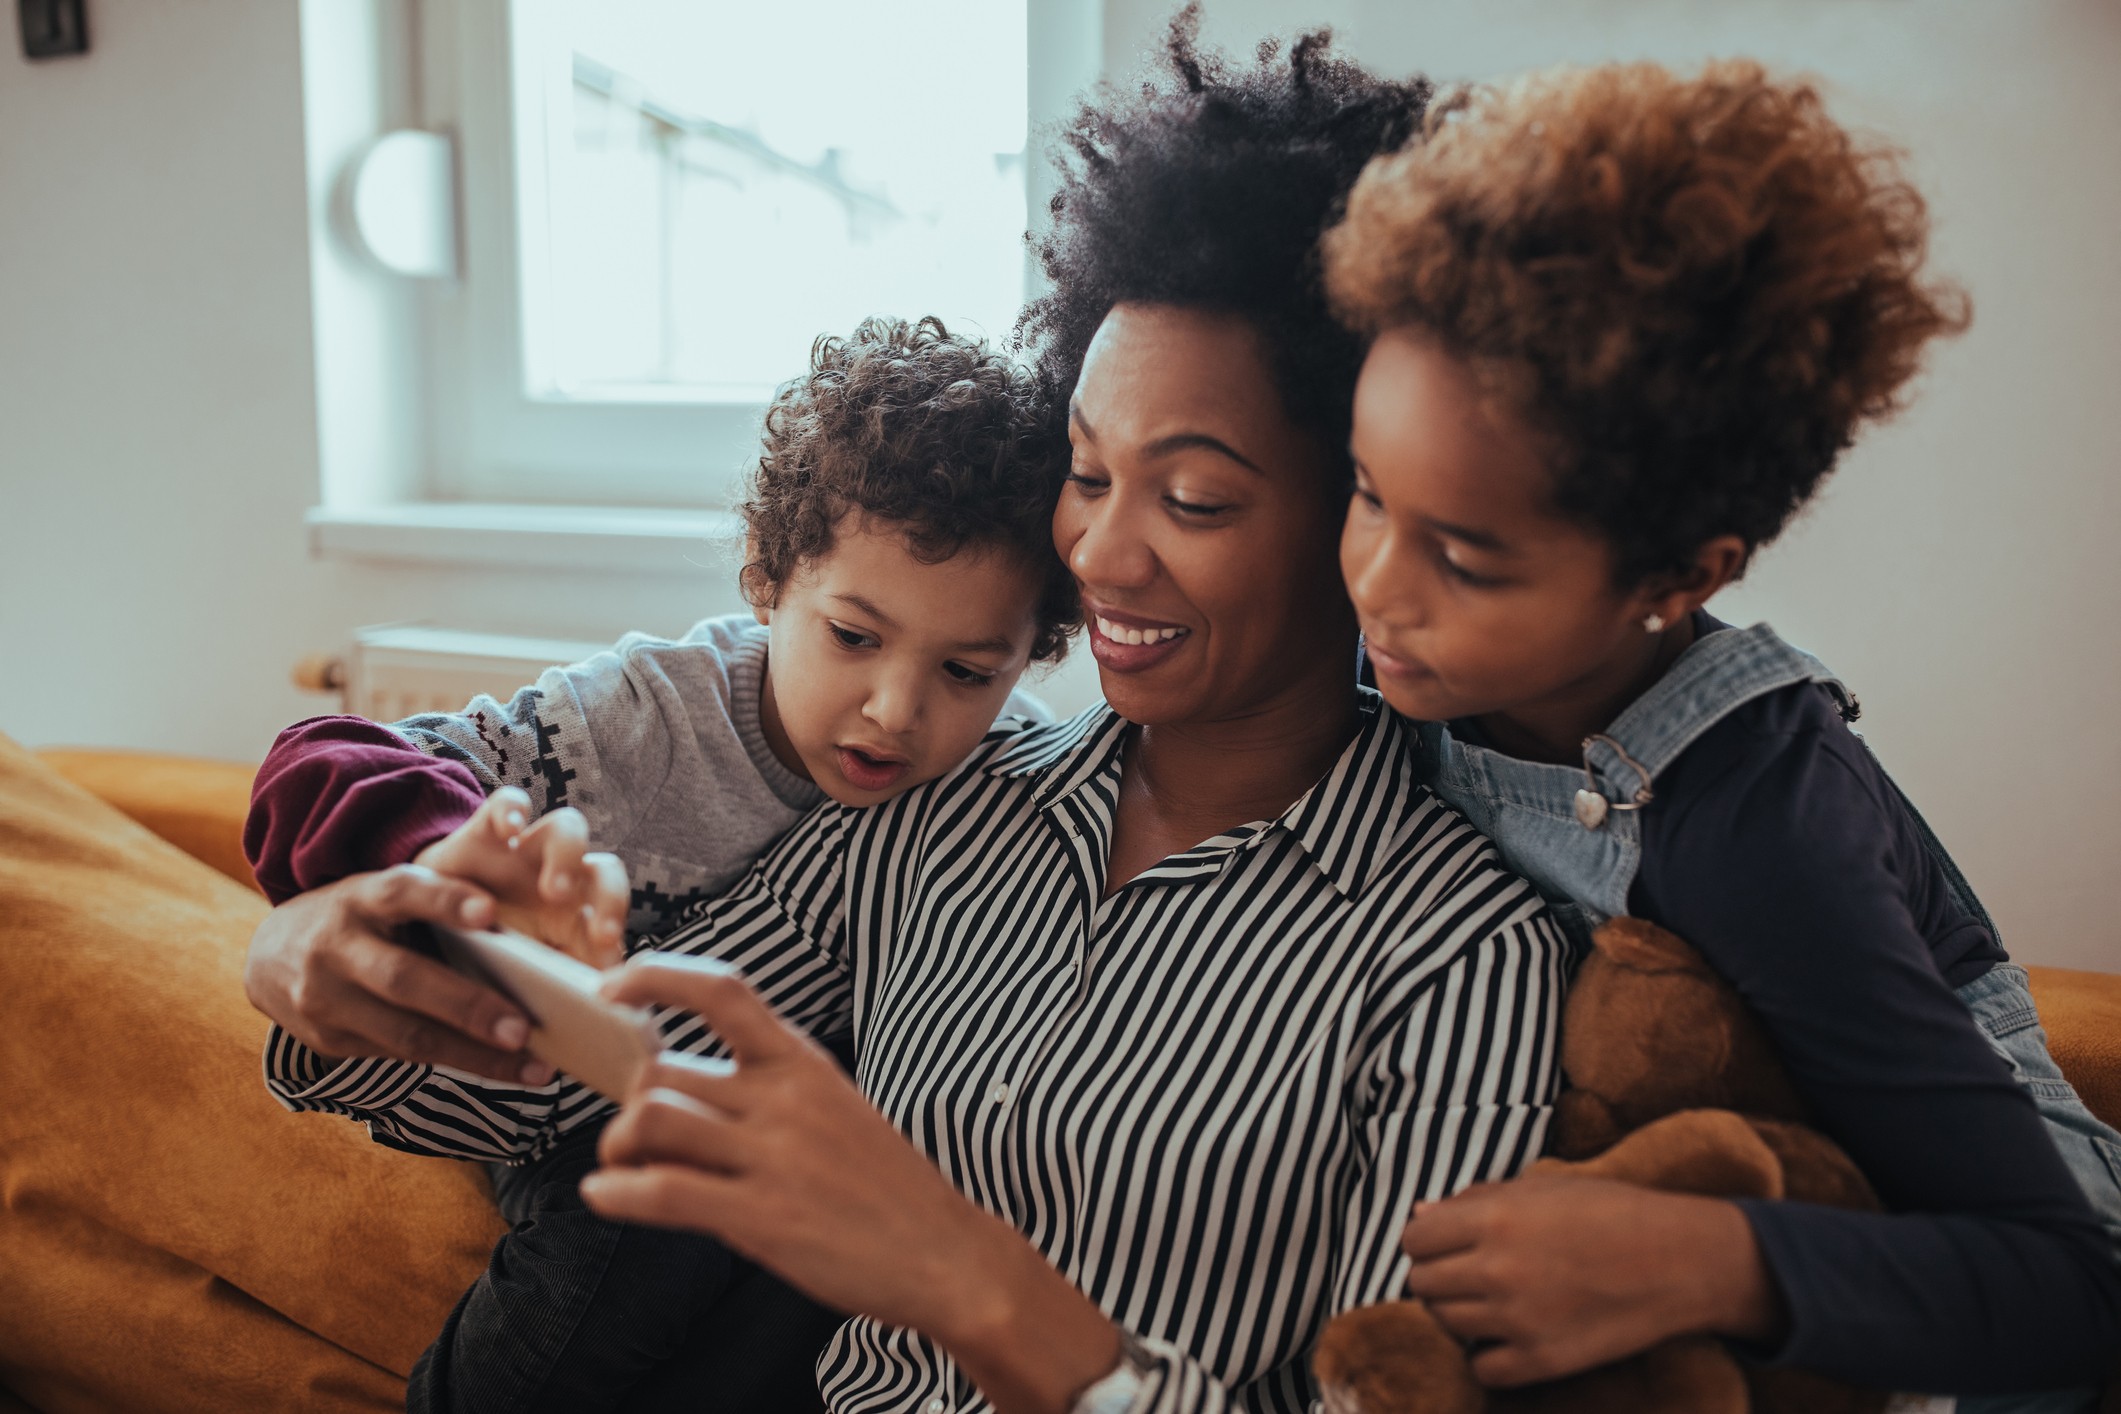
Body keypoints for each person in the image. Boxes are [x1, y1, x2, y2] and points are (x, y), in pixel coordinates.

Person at [249, 21, 1570, 1413]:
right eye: (1086, 473)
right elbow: (590, 1085)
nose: (1100, 555)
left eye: (1192, 499)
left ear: (1364, 512)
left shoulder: (1461, 954)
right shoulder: (929, 814)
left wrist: (969, 1282)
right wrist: (339, 973)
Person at [1321, 59, 2121, 1407]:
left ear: (1677, 579)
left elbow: (2074, 1294)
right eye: (1363, 493)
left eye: (1464, 557)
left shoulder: (1762, 824)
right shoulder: (1401, 664)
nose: (1375, 585)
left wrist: (1707, 1258)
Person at [244, 315, 1078, 1412]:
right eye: (855, 637)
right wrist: (440, 851)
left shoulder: (1009, 773)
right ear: (769, 581)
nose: (896, 709)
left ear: (1032, 655)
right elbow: (329, 757)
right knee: (647, 1223)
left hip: (786, 1122)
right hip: (565, 1103)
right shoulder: (639, 716)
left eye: (968, 668)